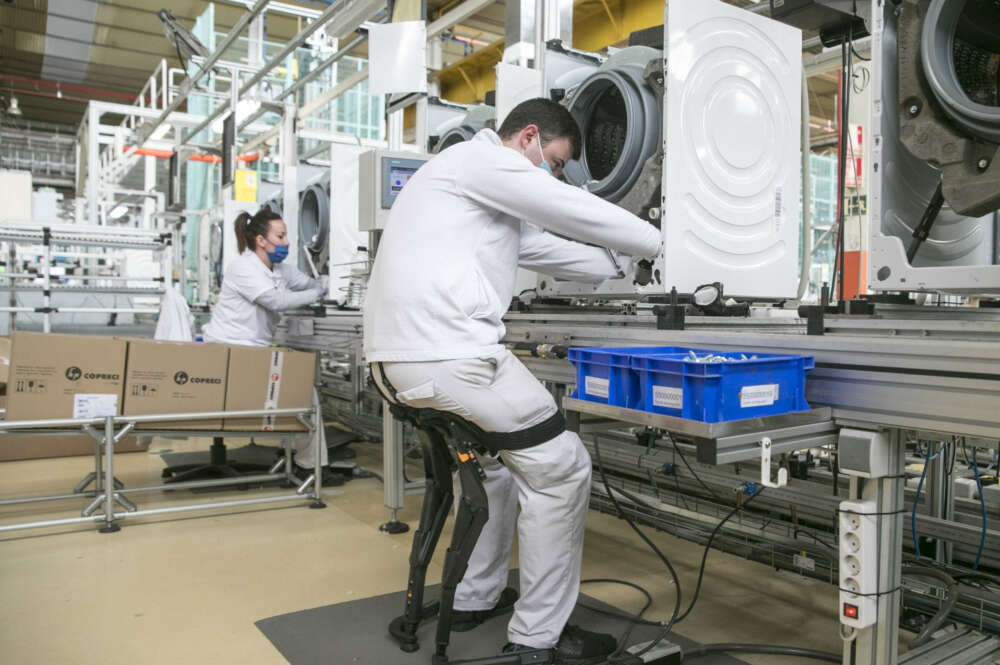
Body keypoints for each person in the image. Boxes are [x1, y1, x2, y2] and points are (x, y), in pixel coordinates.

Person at [365, 98, 662, 663]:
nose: (551, 173)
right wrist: (658, 242)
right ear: (528, 137)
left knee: (496, 469)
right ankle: (538, 638)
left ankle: (477, 595)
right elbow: (565, 208)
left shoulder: (460, 183)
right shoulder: (481, 161)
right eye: (553, 160)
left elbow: (545, 248)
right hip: (449, 357)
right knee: (562, 467)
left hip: (400, 364)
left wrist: (628, 270)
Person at [203, 208, 330, 478]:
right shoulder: (243, 267)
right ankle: (311, 469)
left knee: (297, 387)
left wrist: (319, 286)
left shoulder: (279, 269)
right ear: (261, 240)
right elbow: (276, 301)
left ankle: (297, 455)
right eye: (280, 236)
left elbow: (307, 283)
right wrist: (316, 292)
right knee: (304, 392)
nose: (286, 242)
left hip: (252, 351)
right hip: (231, 352)